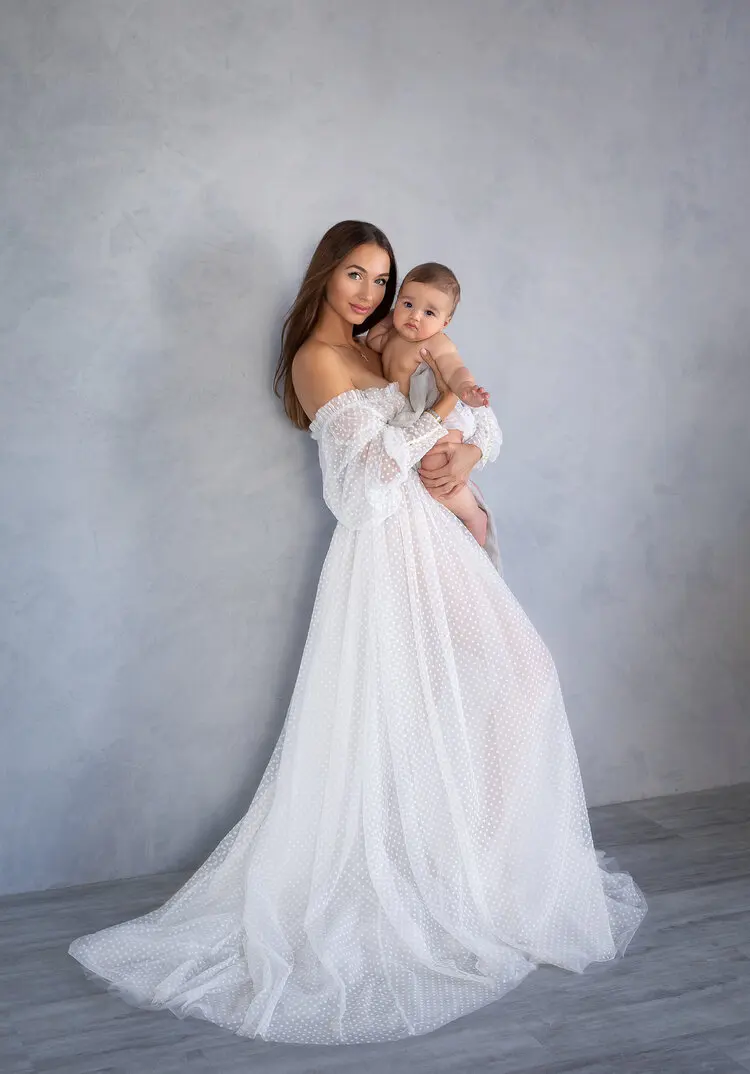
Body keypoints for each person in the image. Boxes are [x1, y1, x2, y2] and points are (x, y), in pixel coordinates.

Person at [68, 220, 647, 1047]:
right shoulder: (318, 360)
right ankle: (445, 882)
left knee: (512, 683)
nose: (371, 293)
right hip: (386, 548)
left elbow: (481, 430)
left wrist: (468, 455)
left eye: (382, 279)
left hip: (437, 538)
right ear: (325, 276)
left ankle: (475, 870)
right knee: (429, 708)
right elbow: (363, 489)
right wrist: (439, 411)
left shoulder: (386, 345)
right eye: (356, 275)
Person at [366, 260, 491, 545]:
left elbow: (454, 368)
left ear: (445, 323)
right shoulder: (391, 336)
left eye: (429, 312)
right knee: (423, 477)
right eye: (408, 304)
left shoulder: (436, 342)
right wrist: (390, 316)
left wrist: (467, 389)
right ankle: (451, 520)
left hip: (444, 416)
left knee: (435, 471)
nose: (415, 317)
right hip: (418, 415)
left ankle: (473, 515)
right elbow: (372, 342)